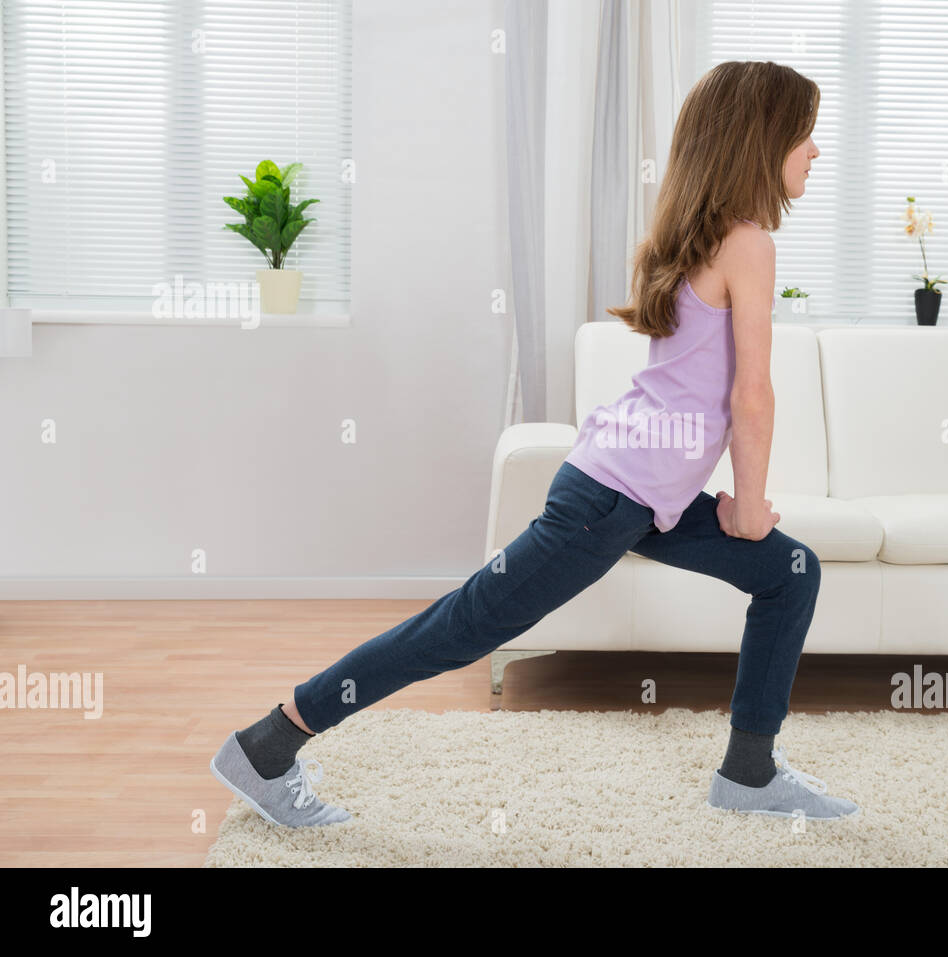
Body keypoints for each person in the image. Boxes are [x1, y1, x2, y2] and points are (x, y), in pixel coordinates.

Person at [210, 60, 859, 827]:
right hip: (610, 499)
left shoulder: (708, 233)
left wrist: (734, 508)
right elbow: (751, 394)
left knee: (790, 570)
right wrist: (749, 506)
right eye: (805, 133)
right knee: (460, 630)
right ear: (762, 138)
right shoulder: (747, 242)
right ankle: (268, 744)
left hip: (645, 495)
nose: (817, 150)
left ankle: (749, 772)